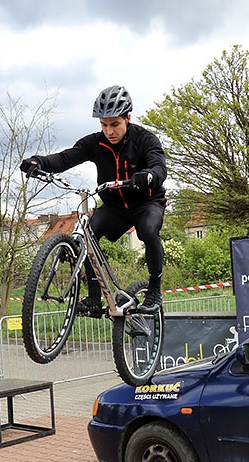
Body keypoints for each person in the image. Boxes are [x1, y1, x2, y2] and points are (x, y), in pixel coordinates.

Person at [20, 85, 168, 314]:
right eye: (104, 125)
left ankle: (155, 289)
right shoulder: (95, 143)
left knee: (148, 230)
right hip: (114, 206)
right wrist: (39, 162)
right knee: (87, 234)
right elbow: (65, 158)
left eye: (115, 124)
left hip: (146, 203)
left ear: (128, 118)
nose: (109, 131)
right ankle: (94, 298)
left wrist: (147, 176)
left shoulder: (145, 140)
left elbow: (158, 166)